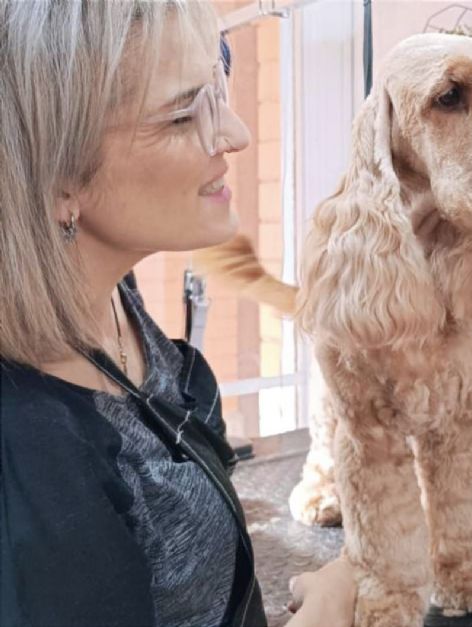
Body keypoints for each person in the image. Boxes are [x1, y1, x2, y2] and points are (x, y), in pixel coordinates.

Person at [0, 2, 356, 626]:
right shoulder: (28, 456)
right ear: (60, 178)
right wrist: (327, 610)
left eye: (219, 88)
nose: (236, 134)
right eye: (183, 114)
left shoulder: (114, 295)